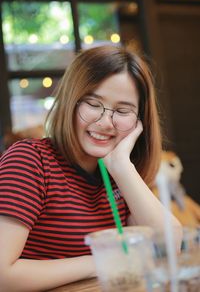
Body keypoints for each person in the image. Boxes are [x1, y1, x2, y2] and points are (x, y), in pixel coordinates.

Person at [0, 45, 182, 291]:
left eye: (122, 110)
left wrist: (122, 167)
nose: (105, 122)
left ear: (140, 120)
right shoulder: (30, 160)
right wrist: (101, 260)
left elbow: (169, 246)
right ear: (70, 103)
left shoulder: (120, 171)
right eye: (93, 104)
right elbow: (3, 275)